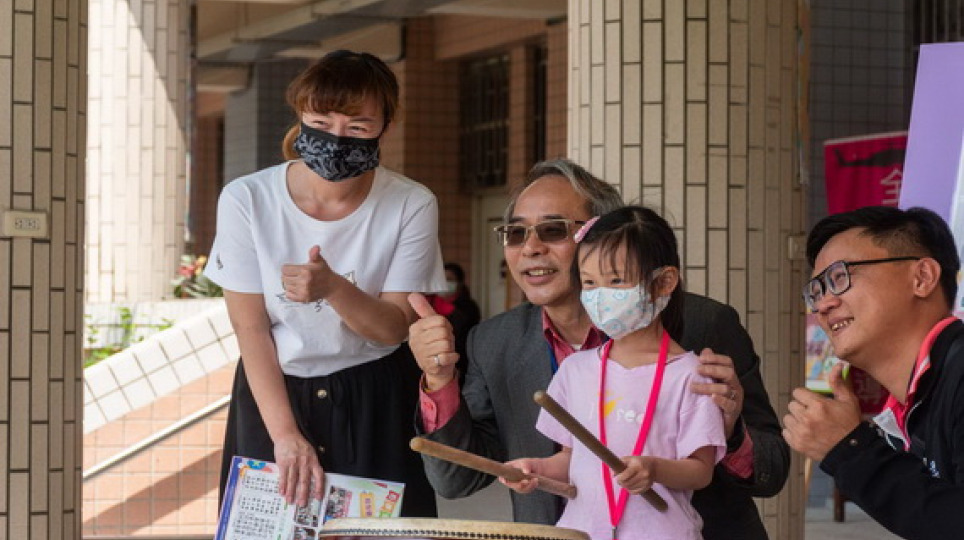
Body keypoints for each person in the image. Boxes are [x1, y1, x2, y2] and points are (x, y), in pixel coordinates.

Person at [408, 158, 789, 539]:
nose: (531, 248)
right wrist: (439, 379)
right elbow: (455, 479)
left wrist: (729, 430)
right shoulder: (494, 341)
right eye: (516, 233)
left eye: (553, 230)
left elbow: (772, 471)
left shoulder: (706, 326)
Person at [205, 50, 446, 516]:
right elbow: (250, 328)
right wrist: (284, 436)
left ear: (385, 127)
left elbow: (393, 328)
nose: (336, 137)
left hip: (375, 395)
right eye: (321, 121)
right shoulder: (246, 198)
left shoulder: (411, 203)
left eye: (357, 126)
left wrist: (334, 288)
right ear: (300, 116)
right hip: (274, 393)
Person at [500, 206, 726, 540]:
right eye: (590, 283)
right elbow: (573, 459)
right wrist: (537, 469)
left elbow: (701, 471)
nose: (600, 296)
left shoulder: (691, 375)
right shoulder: (575, 370)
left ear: (664, 282)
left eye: (616, 281)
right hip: (582, 532)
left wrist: (654, 469)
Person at [784, 206, 964, 539]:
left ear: (922, 278)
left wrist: (850, 450)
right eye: (817, 291)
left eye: (840, 277)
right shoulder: (915, 402)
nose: (823, 305)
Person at [427, 262, 481, 382]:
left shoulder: (468, 307)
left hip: (461, 362)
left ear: (459, 283)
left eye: (449, 279)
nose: (445, 283)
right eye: (442, 279)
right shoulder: (429, 304)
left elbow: (467, 336)